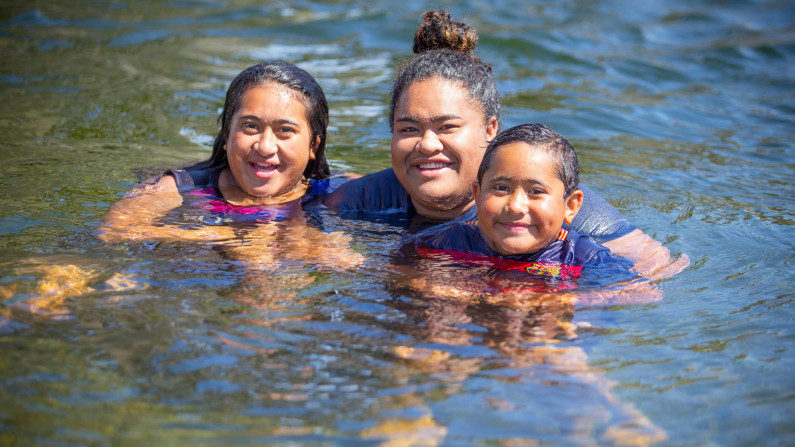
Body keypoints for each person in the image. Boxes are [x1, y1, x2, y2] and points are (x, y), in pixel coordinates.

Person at [326, 10, 686, 278]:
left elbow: (657, 269)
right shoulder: (360, 201)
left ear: (490, 129)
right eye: (408, 129)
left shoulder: (556, 207)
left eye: (447, 126)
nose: (427, 144)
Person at [401, 123, 638, 294]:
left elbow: (642, 293)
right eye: (501, 187)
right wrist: (425, 283)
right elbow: (399, 271)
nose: (515, 206)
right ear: (478, 194)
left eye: (535, 191)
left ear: (571, 206)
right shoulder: (447, 242)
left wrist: (564, 302)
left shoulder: (583, 257)